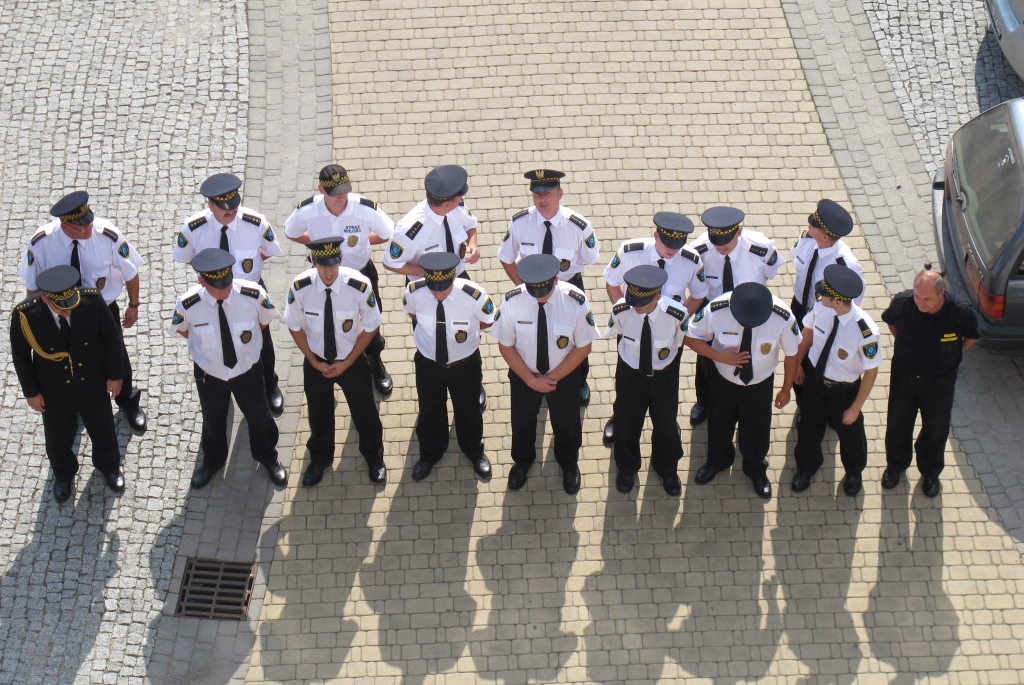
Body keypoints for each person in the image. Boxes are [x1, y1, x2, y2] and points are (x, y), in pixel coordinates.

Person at [18, 191, 147, 431]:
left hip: (102, 309)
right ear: (65, 225)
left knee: (116, 354)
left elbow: (131, 272)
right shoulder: (41, 242)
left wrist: (134, 305)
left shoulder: (106, 234)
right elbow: (32, 287)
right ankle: (76, 404)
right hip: (60, 312)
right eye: (81, 228)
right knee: (69, 359)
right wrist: (40, 322)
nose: (88, 230)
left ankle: (128, 400)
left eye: (89, 222)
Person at [167, 248, 288, 489]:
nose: (225, 289)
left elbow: (264, 323)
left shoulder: (252, 295)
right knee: (213, 421)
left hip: (247, 371)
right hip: (209, 376)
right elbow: (181, 328)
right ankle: (212, 461)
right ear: (201, 281)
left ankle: (268, 457)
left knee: (259, 416)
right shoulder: (188, 304)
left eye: (227, 282)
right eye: (218, 286)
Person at [10, 265, 126, 503]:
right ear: (44, 298)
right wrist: (31, 392)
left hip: (91, 379)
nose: (67, 312)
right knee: (57, 433)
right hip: (54, 386)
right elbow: (21, 355)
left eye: (71, 305)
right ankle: (63, 474)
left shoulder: (91, 300)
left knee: (102, 426)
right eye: (61, 308)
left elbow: (111, 336)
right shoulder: (26, 315)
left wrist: (115, 375)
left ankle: (109, 466)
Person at [174, 173, 285, 416]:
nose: (232, 211)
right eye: (225, 209)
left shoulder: (255, 223)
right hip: (212, 294)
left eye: (235, 206)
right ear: (210, 205)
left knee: (262, 342)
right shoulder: (194, 229)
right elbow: (186, 258)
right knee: (216, 340)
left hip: (250, 292)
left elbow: (267, 251)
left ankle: (269, 385)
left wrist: (250, 273)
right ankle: (224, 385)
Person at [490, 254, 598, 494]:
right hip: (523, 374)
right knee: (522, 422)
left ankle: (569, 465)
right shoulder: (513, 301)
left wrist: (554, 377)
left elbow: (584, 347)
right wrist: (530, 380)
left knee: (567, 423)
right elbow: (505, 345)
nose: (539, 297)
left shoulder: (576, 302)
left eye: (545, 292)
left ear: (557, 279)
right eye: (534, 292)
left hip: (564, 375)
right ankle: (522, 462)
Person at [284, 164, 395, 396]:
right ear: (321, 190)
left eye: (344, 189)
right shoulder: (308, 211)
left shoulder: (363, 208)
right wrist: (314, 244)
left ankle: (375, 363)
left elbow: (386, 233)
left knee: (370, 324)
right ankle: (326, 373)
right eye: (335, 192)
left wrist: (364, 242)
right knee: (323, 324)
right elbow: (291, 232)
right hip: (322, 277)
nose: (341, 196)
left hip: (361, 274)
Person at [283, 238, 387, 487]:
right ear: (314, 262)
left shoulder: (359, 286)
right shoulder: (300, 287)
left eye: (332, 264)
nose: (328, 271)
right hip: (317, 361)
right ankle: (319, 458)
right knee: (318, 413)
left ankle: (374, 458)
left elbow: (371, 326)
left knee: (365, 412)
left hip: (351, 361)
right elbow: (294, 325)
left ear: (340, 260)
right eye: (321, 264)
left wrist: (350, 361)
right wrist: (312, 360)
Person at [383, 163, 486, 410]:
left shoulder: (456, 207)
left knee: (468, 332)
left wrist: (473, 244)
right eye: (460, 195)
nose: (463, 198)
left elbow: (470, 224)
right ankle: (436, 384)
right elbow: (391, 262)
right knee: (432, 336)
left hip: (460, 280)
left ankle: (473, 383)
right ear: (447, 201)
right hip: (428, 291)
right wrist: (430, 273)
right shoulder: (410, 228)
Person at [684, 282, 800, 499]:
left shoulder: (782, 317)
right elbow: (689, 335)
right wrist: (718, 356)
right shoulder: (717, 309)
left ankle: (755, 468)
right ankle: (717, 461)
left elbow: (792, 354)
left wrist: (786, 389)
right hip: (723, 381)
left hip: (759, 384)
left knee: (756, 428)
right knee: (719, 423)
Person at [601, 210, 707, 444]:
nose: (672, 249)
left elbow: (698, 295)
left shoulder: (690, 260)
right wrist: (625, 313)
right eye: (667, 242)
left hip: (667, 335)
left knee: (668, 381)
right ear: (655, 235)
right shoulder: (631, 251)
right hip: (633, 327)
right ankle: (620, 418)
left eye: (677, 244)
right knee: (626, 378)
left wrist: (676, 322)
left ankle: (668, 422)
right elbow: (611, 281)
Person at [497, 169, 600, 406]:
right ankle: (533, 375)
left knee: (574, 338)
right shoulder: (520, 223)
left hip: (568, 287)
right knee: (533, 335)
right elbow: (505, 256)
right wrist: (524, 286)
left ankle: (579, 381)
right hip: (532, 291)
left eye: (548, 193)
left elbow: (589, 258)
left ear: (560, 194)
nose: (542, 200)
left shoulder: (578, 226)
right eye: (536, 194)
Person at [881, 268, 979, 497]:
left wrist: (951, 359)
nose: (920, 302)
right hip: (904, 375)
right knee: (898, 423)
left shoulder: (960, 312)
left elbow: (972, 337)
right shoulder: (903, 303)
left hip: (939, 382)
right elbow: (892, 323)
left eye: (926, 299)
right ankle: (895, 466)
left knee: (935, 428)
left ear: (941, 294)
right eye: (917, 296)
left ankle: (930, 472)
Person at [687, 206, 784, 425]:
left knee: (748, 352)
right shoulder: (700, 249)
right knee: (706, 358)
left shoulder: (761, 248)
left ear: (739, 232)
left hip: (751, 311)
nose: (720, 249)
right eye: (717, 244)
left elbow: (770, 273)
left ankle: (744, 402)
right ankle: (704, 401)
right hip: (713, 311)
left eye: (726, 245)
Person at [402, 252, 495, 481]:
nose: (437, 293)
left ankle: (474, 450)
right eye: (433, 287)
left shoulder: (474, 296)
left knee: (469, 410)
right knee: (430, 408)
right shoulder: (415, 292)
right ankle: (430, 453)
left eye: (442, 287)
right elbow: (412, 314)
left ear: (453, 276)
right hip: (428, 362)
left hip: (464, 363)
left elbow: (487, 320)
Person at [791, 265, 880, 495]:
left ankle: (854, 472)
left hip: (845, 390)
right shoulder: (821, 308)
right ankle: (806, 467)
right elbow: (808, 334)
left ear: (838, 301)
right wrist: (799, 364)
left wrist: (855, 408)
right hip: (815, 380)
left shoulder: (865, 331)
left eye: (825, 294)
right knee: (809, 425)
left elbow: (871, 371)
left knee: (850, 434)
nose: (820, 295)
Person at [603, 265, 688, 495]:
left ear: (657, 296)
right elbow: (617, 335)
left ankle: (667, 468)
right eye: (632, 300)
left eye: (641, 303)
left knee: (666, 425)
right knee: (626, 424)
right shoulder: (622, 310)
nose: (635, 306)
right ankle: (627, 468)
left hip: (663, 377)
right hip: (631, 375)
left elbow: (678, 344)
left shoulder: (677, 314)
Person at [789, 199, 863, 324]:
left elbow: (851, 302)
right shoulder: (807, 239)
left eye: (813, 224)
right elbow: (794, 256)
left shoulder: (845, 265)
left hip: (822, 317)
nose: (809, 223)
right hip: (798, 303)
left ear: (824, 237)